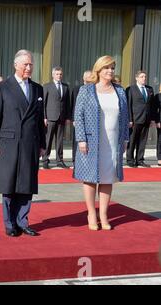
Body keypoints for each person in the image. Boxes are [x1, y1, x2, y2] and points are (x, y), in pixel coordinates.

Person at [0, 50, 46, 237]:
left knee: (26, 183)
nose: (29, 68)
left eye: (31, 65)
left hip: (30, 142)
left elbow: (39, 119)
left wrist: (43, 144)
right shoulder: (2, 87)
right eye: (25, 65)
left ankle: (22, 221)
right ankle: (9, 223)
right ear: (16, 65)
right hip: (9, 143)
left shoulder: (38, 89)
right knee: (9, 183)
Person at [74, 55, 129, 231]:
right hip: (91, 141)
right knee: (90, 178)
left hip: (113, 141)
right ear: (98, 69)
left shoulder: (120, 91)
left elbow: (125, 117)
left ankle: (104, 214)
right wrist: (81, 138)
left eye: (112, 68)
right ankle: (91, 213)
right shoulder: (87, 90)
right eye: (107, 68)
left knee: (108, 177)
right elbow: (78, 115)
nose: (110, 71)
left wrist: (125, 139)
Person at [125, 70, 157, 168]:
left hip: (146, 119)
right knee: (133, 139)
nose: (144, 78)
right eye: (142, 77)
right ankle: (130, 160)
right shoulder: (130, 89)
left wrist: (152, 119)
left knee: (143, 140)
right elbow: (128, 105)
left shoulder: (149, 89)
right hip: (135, 119)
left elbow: (152, 106)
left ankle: (140, 160)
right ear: (137, 78)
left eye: (145, 77)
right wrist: (130, 119)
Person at [42, 66, 71, 169]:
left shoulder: (66, 87)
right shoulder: (47, 86)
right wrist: (44, 117)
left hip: (62, 117)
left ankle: (60, 160)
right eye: (57, 74)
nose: (59, 76)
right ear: (53, 75)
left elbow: (68, 104)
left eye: (60, 74)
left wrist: (68, 117)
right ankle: (45, 159)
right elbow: (43, 103)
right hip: (50, 117)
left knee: (60, 140)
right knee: (48, 139)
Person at [70, 70, 92, 163]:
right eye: (87, 76)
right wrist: (73, 119)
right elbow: (73, 104)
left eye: (90, 76)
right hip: (78, 119)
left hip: (90, 119)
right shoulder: (77, 89)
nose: (88, 78)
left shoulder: (94, 89)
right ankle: (75, 159)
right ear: (83, 78)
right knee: (77, 138)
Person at [156, 85, 161, 166]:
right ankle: (160, 158)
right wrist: (157, 121)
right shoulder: (158, 96)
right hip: (160, 121)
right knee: (160, 140)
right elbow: (155, 110)